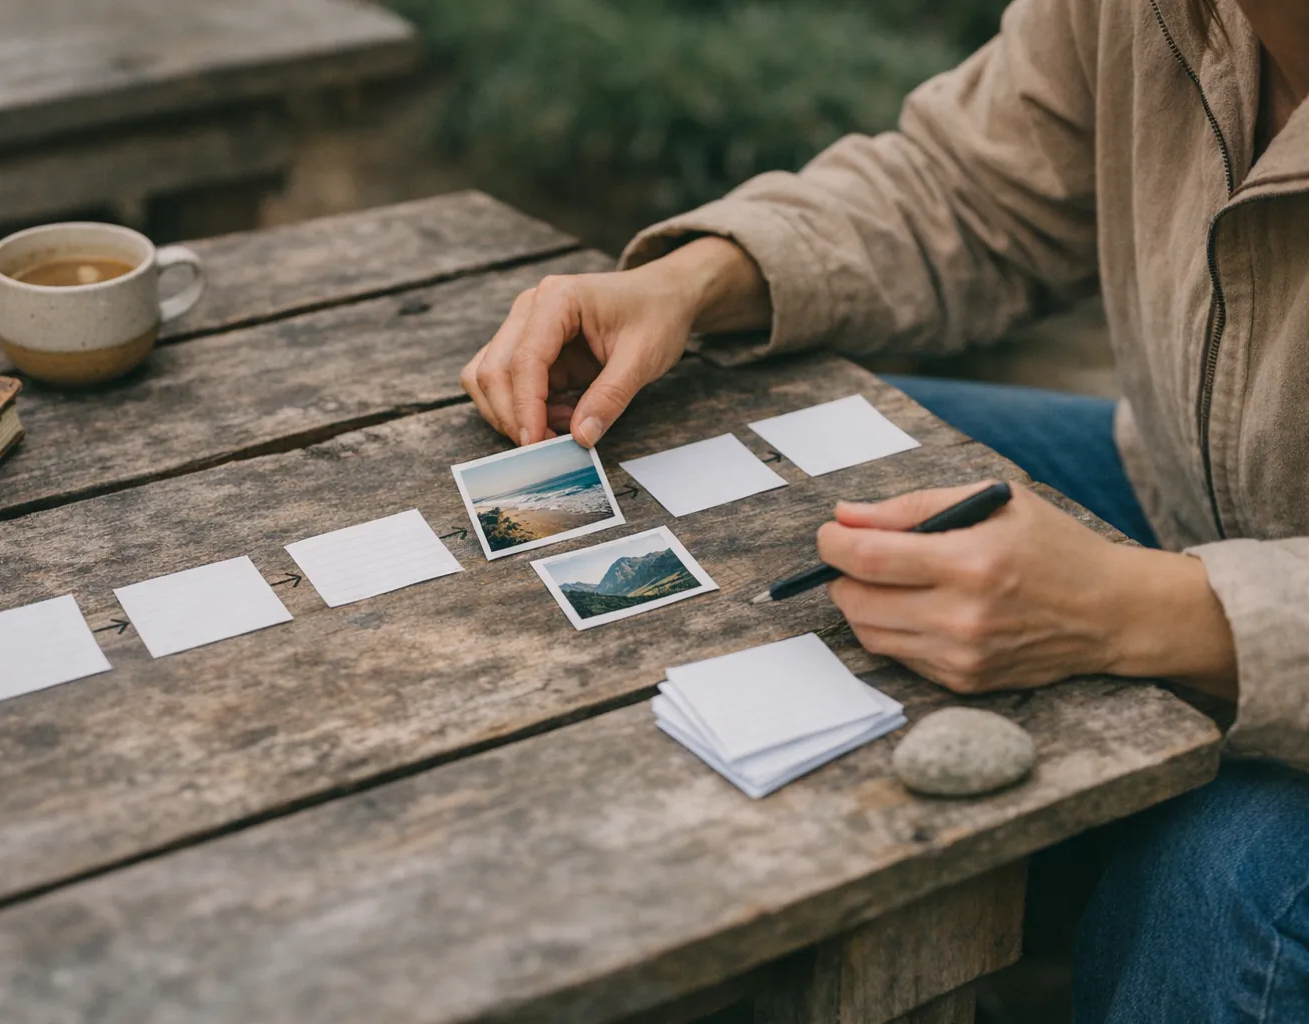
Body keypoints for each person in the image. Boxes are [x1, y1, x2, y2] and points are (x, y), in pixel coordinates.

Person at [461, 0, 1308, 1019]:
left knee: (1215, 884)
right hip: (1187, 488)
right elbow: (962, 188)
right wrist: (695, 282)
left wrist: (1145, 611)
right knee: (811, 453)